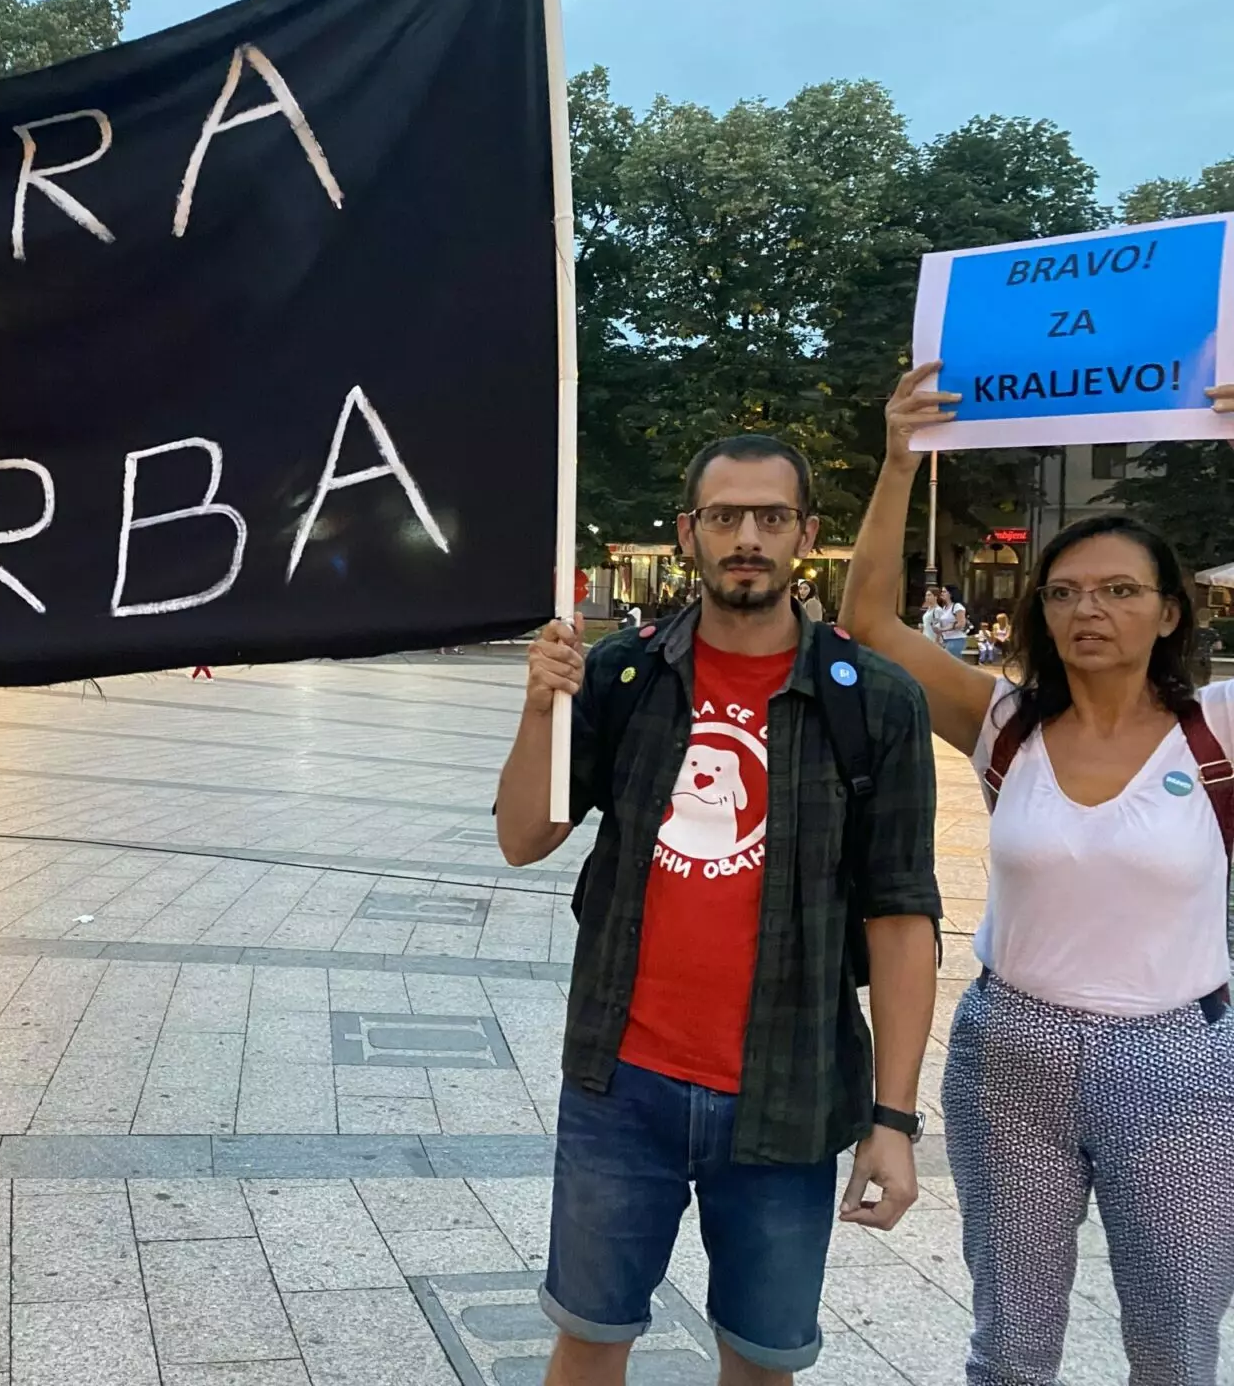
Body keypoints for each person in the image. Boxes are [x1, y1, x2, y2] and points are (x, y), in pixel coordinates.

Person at [496, 433, 941, 1384]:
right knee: (588, 1336)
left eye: (772, 517)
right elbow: (524, 837)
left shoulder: (876, 702)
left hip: (789, 1091)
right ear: (689, 531)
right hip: (623, 1083)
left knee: (762, 1359)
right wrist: (540, 709)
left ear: (806, 535)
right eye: (725, 516)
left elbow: (903, 918)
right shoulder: (626, 674)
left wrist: (894, 1119)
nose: (748, 538)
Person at [840, 361, 1234, 1383]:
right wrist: (898, 458)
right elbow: (870, 624)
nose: (1087, 610)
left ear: (1169, 612)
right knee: (1010, 1346)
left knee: (1176, 1345)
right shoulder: (1004, 724)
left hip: (1177, 1060)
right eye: (1062, 593)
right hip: (1011, 1050)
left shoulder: (1215, 731)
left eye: (1118, 591)